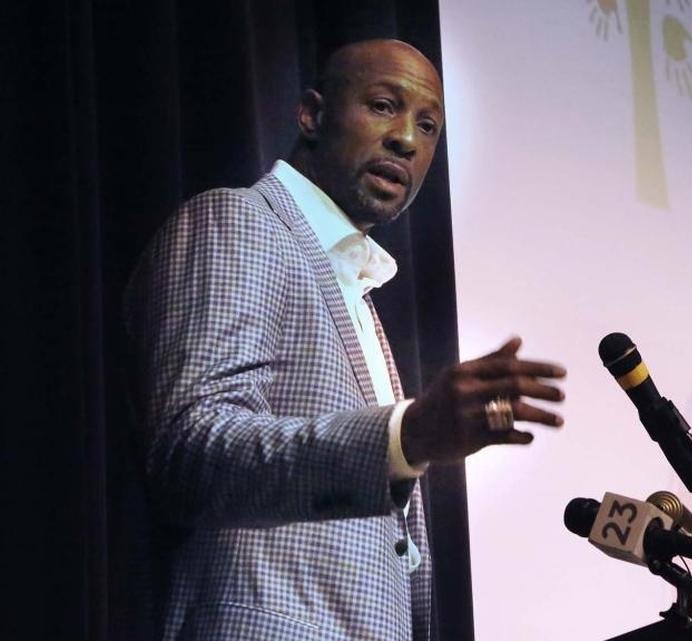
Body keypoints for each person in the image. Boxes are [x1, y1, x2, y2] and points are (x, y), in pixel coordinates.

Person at [125, 39, 566, 641]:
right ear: (312, 114)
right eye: (384, 106)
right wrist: (406, 435)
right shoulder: (239, 222)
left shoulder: (354, 290)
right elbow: (192, 451)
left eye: (428, 126)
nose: (406, 139)